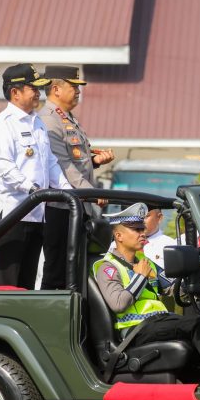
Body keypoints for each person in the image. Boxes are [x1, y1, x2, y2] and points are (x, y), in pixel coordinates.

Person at [92, 202, 200, 371]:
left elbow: (174, 288)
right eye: (136, 229)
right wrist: (141, 276)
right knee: (195, 324)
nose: (143, 233)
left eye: (142, 228)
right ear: (119, 236)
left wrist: (195, 281)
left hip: (157, 323)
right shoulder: (107, 267)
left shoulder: (146, 263)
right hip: (135, 330)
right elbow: (119, 304)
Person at [0, 64, 65, 288]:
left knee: (27, 281)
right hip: (12, 211)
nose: (38, 94)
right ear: (15, 92)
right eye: (33, 88)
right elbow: (5, 167)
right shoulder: (4, 124)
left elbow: (50, 162)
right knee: (7, 281)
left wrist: (68, 190)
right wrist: (32, 190)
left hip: (36, 212)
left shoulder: (37, 122)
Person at [37, 65, 115, 289]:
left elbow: (77, 160)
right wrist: (90, 192)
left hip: (77, 204)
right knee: (58, 268)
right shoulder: (48, 119)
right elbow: (62, 164)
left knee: (75, 268)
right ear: (56, 89)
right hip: (60, 207)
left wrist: (95, 161)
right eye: (73, 86)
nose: (78, 91)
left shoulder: (67, 118)